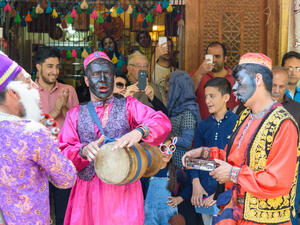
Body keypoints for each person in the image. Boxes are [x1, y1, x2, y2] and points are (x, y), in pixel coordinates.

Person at [183, 53, 299, 225]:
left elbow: (278, 181)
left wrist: (232, 174)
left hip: (264, 221)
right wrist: (204, 153)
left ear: (258, 79)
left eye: (240, 82)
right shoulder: (245, 115)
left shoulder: (283, 124)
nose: (234, 88)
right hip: (236, 213)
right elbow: (238, 158)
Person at [59, 51, 172, 225]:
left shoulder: (129, 105)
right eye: (96, 74)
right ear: (86, 80)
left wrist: (140, 131)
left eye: (108, 74)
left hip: (124, 192)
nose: (103, 80)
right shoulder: (75, 114)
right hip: (87, 193)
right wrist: (82, 151)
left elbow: (162, 121)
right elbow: (63, 152)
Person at [0, 51, 76, 224]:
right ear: (12, 92)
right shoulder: (32, 132)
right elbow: (66, 178)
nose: (35, 87)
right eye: (28, 82)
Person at [34, 47, 79, 225]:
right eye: (50, 66)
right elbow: (26, 131)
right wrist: (54, 111)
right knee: (39, 213)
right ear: (38, 67)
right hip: (36, 163)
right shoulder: (27, 91)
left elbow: (77, 126)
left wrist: (64, 108)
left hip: (64, 159)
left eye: (57, 67)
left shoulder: (69, 90)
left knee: (64, 213)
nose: (55, 71)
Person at [190, 77, 238, 225]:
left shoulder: (238, 123)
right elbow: (194, 159)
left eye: (212, 96)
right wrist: (196, 184)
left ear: (226, 97)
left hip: (228, 194)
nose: (207, 101)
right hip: (204, 192)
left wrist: (220, 194)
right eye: (206, 96)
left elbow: (237, 163)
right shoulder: (203, 126)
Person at [166, 70, 201, 225]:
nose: (168, 88)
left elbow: (187, 141)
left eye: (171, 85)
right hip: (172, 165)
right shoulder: (176, 109)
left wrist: (167, 140)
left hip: (181, 169)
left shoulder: (187, 112)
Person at [271, 66, 300, 225]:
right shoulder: (253, 108)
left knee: (290, 211)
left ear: (286, 86)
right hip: (261, 172)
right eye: (273, 85)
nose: (276, 90)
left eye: (281, 86)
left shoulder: (297, 109)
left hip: (291, 172)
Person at [143, 137, 191, 225]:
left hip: (168, 215)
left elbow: (189, 185)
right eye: (163, 148)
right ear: (155, 149)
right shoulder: (146, 172)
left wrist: (180, 198)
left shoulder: (175, 172)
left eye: (171, 148)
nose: (167, 152)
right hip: (148, 215)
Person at [191, 42, 239, 119]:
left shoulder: (235, 78)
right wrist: (199, 73)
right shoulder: (197, 74)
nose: (213, 60)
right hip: (203, 127)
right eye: (210, 57)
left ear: (225, 59)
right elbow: (186, 95)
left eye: (217, 56)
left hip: (230, 127)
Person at [126, 50, 167, 115]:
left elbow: (164, 116)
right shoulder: (122, 86)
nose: (142, 69)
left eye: (145, 66)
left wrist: (153, 98)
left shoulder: (155, 88)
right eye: (138, 65)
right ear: (129, 68)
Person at [151, 37, 176, 106]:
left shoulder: (176, 71)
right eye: (164, 46)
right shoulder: (151, 68)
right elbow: (142, 82)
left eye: (170, 47)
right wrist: (155, 55)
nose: (167, 49)